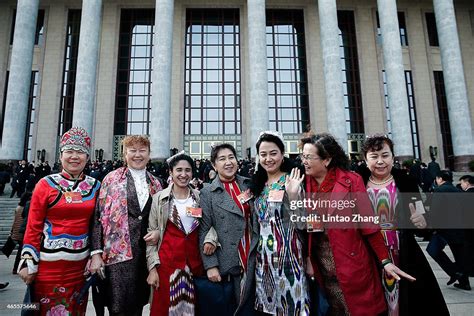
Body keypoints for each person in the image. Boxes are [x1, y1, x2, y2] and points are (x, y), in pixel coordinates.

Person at [301, 133, 415, 316]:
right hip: (321, 267)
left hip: (352, 265)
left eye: (308, 157)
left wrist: (385, 261)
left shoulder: (351, 181)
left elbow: (368, 225)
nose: (303, 161)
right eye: (302, 156)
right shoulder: (301, 184)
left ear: (327, 160)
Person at [360, 134, 448, 315]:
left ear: (392, 157)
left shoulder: (405, 181)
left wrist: (422, 221)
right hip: (368, 251)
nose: (380, 161)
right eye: (374, 157)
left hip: (402, 249)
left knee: (406, 299)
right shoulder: (358, 183)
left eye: (385, 155)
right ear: (365, 160)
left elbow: (420, 214)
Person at [18, 127, 100, 315]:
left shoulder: (95, 186)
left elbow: (98, 225)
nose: (74, 156)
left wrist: (97, 254)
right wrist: (28, 260)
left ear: (87, 158)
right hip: (48, 265)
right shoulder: (45, 184)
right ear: (61, 155)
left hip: (79, 266)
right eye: (69, 151)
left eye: (80, 152)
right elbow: (33, 225)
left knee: (75, 309)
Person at [90, 135, 163, 315]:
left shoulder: (156, 182)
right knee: (118, 305)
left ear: (149, 154)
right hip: (118, 254)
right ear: (125, 154)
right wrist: (96, 253)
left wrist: (159, 232)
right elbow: (99, 217)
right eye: (133, 151)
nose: (137, 155)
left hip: (145, 253)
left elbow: (162, 217)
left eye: (142, 150)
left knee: (138, 302)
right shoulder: (111, 179)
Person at [250, 131, 310, 315]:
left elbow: (304, 223)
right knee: (267, 308)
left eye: (273, 153)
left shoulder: (293, 179)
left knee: (292, 306)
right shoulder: (258, 184)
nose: (268, 159)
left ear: (282, 154)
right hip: (264, 259)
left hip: (290, 256)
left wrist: (293, 196)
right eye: (263, 154)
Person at [199, 143, 259, 315]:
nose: (228, 162)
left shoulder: (249, 185)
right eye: (222, 159)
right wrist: (210, 265)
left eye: (231, 157)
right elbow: (204, 230)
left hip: (252, 257)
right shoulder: (208, 192)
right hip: (228, 260)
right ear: (214, 165)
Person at [146, 152, 206, 315]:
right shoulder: (159, 198)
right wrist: (152, 269)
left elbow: (208, 227)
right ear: (171, 172)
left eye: (188, 170)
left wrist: (211, 240)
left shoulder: (200, 198)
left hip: (194, 267)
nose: (183, 174)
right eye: (179, 170)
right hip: (166, 267)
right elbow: (151, 236)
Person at [427, 170, 471, 291]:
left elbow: (435, 211)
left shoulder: (439, 190)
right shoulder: (459, 191)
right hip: (460, 228)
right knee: (459, 256)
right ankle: (464, 282)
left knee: (432, 250)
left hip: (444, 228)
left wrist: (433, 227)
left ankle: (453, 272)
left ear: (439, 179)